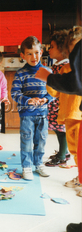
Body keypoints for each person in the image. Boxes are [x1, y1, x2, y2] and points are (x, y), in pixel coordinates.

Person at [35, 26, 82, 232]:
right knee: (75, 149)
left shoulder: (67, 65)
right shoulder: (64, 65)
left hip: (74, 113)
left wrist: (48, 77)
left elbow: (71, 85)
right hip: (71, 112)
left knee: (75, 148)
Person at [11, 36, 53, 180]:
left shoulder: (47, 71)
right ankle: (27, 167)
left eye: (36, 52)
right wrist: (28, 100)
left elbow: (53, 92)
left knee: (41, 141)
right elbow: (14, 93)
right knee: (27, 141)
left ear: (41, 52)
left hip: (42, 114)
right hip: (27, 115)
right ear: (23, 56)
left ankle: (38, 163)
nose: (33, 56)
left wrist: (46, 99)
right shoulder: (20, 73)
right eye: (29, 53)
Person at [45, 30, 71, 167]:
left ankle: (62, 156)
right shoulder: (58, 65)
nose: (49, 49)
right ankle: (64, 151)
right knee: (58, 128)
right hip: (55, 102)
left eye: (52, 46)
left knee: (61, 129)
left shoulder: (63, 66)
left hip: (60, 104)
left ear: (61, 49)